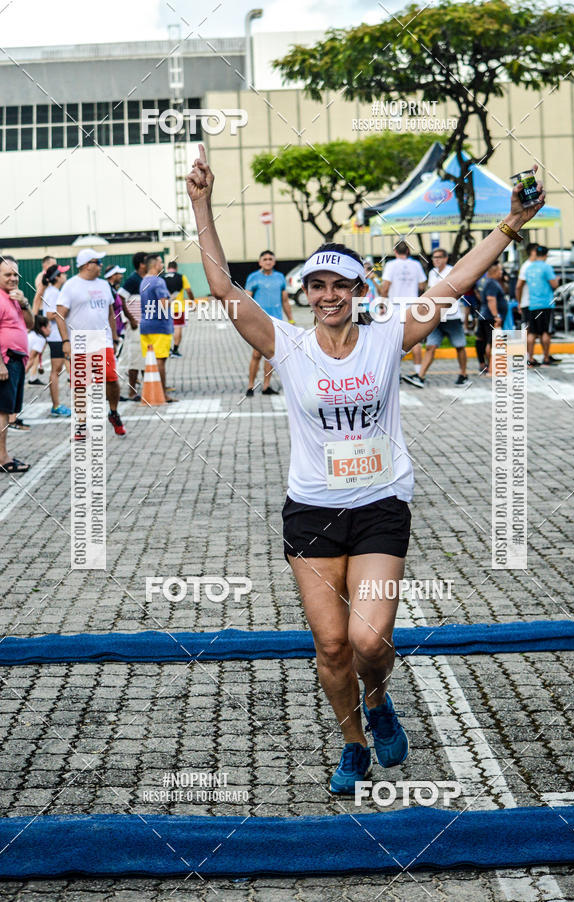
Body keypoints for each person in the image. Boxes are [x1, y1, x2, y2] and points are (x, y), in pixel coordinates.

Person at [186, 143, 545, 794]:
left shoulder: (387, 334)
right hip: (314, 512)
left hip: (380, 505)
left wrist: (510, 225)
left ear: (359, 291)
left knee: (369, 642)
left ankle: (377, 698)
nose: (328, 295)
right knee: (330, 648)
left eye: (339, 284)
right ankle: (353, 741)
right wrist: (201, 203)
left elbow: (456, 282)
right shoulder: (285, 344)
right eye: (316, 285)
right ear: (304, 295)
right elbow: (221, 288)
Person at [56, 248, 126, 438]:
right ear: (87, 265)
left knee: (111, 379)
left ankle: (113, 412)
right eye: (98, 262)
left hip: (102, 342)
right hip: (79, 343)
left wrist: (114, 336)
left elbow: (111, 312)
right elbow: (59, 316)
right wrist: (65, 341)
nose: (101, 266)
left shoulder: (104, 285)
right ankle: (81, 424)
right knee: (81, 386)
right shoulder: (71, 286)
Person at [408, 248, 470, 387]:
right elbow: (430, 291)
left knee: (459, 346)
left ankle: (463, 375)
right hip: (436, 316)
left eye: (439, 257)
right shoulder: (432, 273)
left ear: (446, 258)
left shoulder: (452, 271)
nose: (436, 260)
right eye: (434, 257)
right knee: (431, 346)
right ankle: (420, 376)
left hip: (452, 315)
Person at [0, 255, 34, 472]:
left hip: (16, 359)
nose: (13, 278)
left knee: (6, 410)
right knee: (2, 411)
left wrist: (25, 304)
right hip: (6, 359)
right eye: (7, 274)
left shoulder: (13, 297)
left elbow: (30, 324)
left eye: (15, 274)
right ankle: (3, 459)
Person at [244, 251, 293, 397]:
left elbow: (285, 300)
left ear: (274, 261)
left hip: (275, 322)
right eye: (264, 259)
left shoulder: (280, 277)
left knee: (270, 355)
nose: (267, 261)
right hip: (258, 322)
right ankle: (250, 386)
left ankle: (266, 386)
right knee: (257, 354)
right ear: (260, 262)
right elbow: (247, 300)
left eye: (270, 259)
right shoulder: (253, 278)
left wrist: (290, 319)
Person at [379, 241, 427, 385]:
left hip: (395, 307)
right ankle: (418, 373)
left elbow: (385, 287)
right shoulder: (416, 265)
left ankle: (396, 374)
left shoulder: (391, 265)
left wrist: (382, 304)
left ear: (395, 251)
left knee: (393, 341)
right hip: (412, 307)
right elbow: (422, 285)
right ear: (408, 250)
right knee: (415, 341)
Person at [139, 253, 176, 401]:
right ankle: (162, 394)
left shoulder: (144, 281)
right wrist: (171, 300)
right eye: (161, 263)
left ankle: (150, 392)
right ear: (155, 265)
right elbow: (163, 304)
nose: (162, 266)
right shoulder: (158, 282)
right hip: (160, 326)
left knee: (150, 361)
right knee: (160, 360)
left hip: (146, 325)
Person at [41, 262, 71, 416]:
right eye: (63, 273)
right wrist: (66, 311)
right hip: (56, 337)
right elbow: (48, 314)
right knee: (55, 371)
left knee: (60, 370)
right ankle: (56, 406)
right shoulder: (52, 292)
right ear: (57, 277)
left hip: (60, 336)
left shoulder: (56, 291)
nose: (65, 276)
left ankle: (57, 405)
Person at [523, 245, 560, 367]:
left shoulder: (529, 268)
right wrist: (557, 280)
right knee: (545, 332)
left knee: (532, 333)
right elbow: (554, 285)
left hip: (533, 304)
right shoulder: (547, 267)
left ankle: (530, 358)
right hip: (546, 304)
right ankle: (545, 357)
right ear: (546, 255)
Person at [117, 252, 146, 401]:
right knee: (135, 357)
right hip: (136, 326)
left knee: (146, 358)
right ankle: (131, 391)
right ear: (141, 264)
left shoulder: (145, 279)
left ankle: (148, 388)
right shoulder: (133, 280)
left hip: (146, 324)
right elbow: (120, 297)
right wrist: (131, 319)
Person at [476, 261, 507, 374]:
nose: (501, 272)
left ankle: (484, 364)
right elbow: (491, 299)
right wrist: (496, 316)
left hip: (484, 314)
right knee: (492, 342)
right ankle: (491, 366)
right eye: (500, 270)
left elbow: (479, 294)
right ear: (494, 271)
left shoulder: (484, 281)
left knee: (482, 339)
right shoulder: (492, 283)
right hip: (490, 316)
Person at [163, 261, 194, 357]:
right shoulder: (181, 277)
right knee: (178, 327)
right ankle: (175, 350)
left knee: (165, 329)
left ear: (168, 268)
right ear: (176, 268)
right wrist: (192, 301)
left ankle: (167, 349)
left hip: (165, 307)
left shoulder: (162, 278)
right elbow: (188, 290)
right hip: (178, 308)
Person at [515, 242, 537, 333]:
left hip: (536, 303)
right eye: (537, 250)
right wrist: (519, 302)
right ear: (532, 252)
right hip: (528, 303)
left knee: (536, 330)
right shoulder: (526, 266)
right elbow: (519, 286)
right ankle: (528, 347)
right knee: (529, 329)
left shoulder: (538, 265)